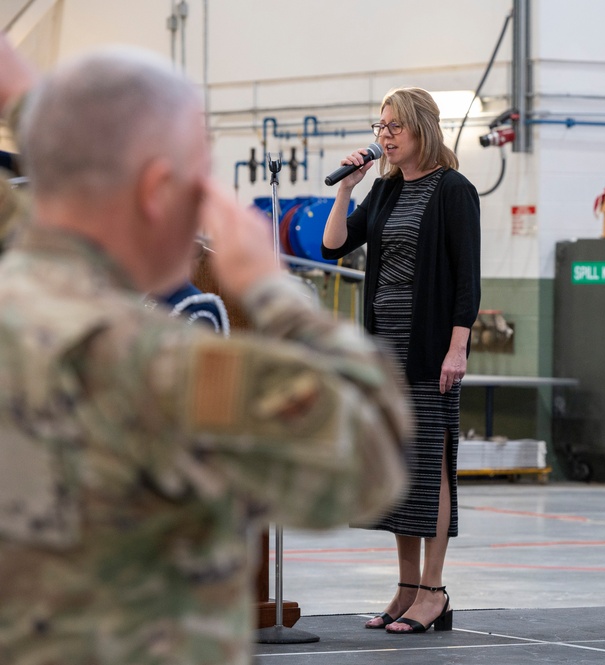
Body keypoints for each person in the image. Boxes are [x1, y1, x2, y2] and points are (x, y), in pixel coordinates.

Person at [0, 39, 410, 665]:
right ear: (159, 190)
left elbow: (57, 182)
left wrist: (44, 110)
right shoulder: (162, 371)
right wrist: (271, 289)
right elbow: (376, 452)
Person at [321, 87, 481, 634]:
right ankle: (406, 586)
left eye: (395, 126)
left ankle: (433, 591)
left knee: (430, 468)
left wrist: (458, 346)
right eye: (381, 125)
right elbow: (333, 246)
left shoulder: (454, 190)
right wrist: (347, 191)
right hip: (383, 351)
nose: (384, 135)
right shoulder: (386, 191)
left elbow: (467, 280)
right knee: (397, 472)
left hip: (431, 349)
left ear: (421, 129)